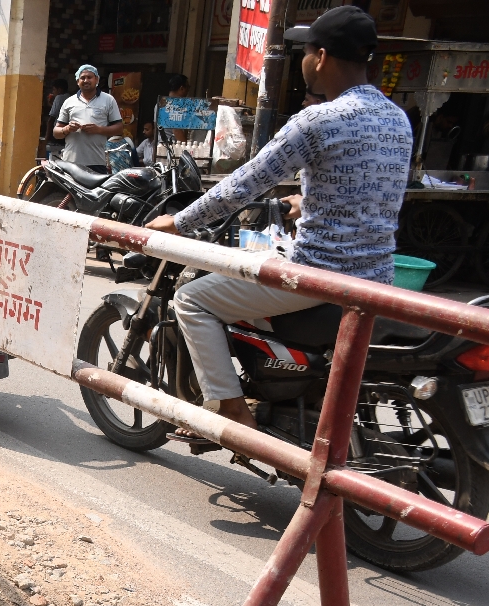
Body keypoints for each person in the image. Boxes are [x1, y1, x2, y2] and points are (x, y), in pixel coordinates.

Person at [145, 5, 410, 448]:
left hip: (318, 276)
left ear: (320, 57)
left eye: (305, 52)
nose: (303, 61)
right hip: (378, 277)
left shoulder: (318, 120)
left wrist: (180, 221)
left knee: (191, 299)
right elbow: (371, 195)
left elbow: (242, 186)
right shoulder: (397, 119)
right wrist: (307, 202)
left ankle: (232, 413)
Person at [53, 65, 124, 173]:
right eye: (82, 78)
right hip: (71, 162)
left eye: (89, 77)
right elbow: (56, 132)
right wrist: (67, 129)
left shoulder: (108, 100)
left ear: (97, 80)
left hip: (97, 162)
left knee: (95, 191)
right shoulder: (69, 101)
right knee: (70, 190)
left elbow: (119, 128)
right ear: (77, 81)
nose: (86, 80)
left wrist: (99, 129)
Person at [45, 77, 69, 159]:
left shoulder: (59, 97)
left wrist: (46, 139)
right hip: (66, 136)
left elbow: (51, 119)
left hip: (57, 136)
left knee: (53, 159)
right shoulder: (70, 97)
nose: (53, 92)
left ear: (59, 90)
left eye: (54, 90)